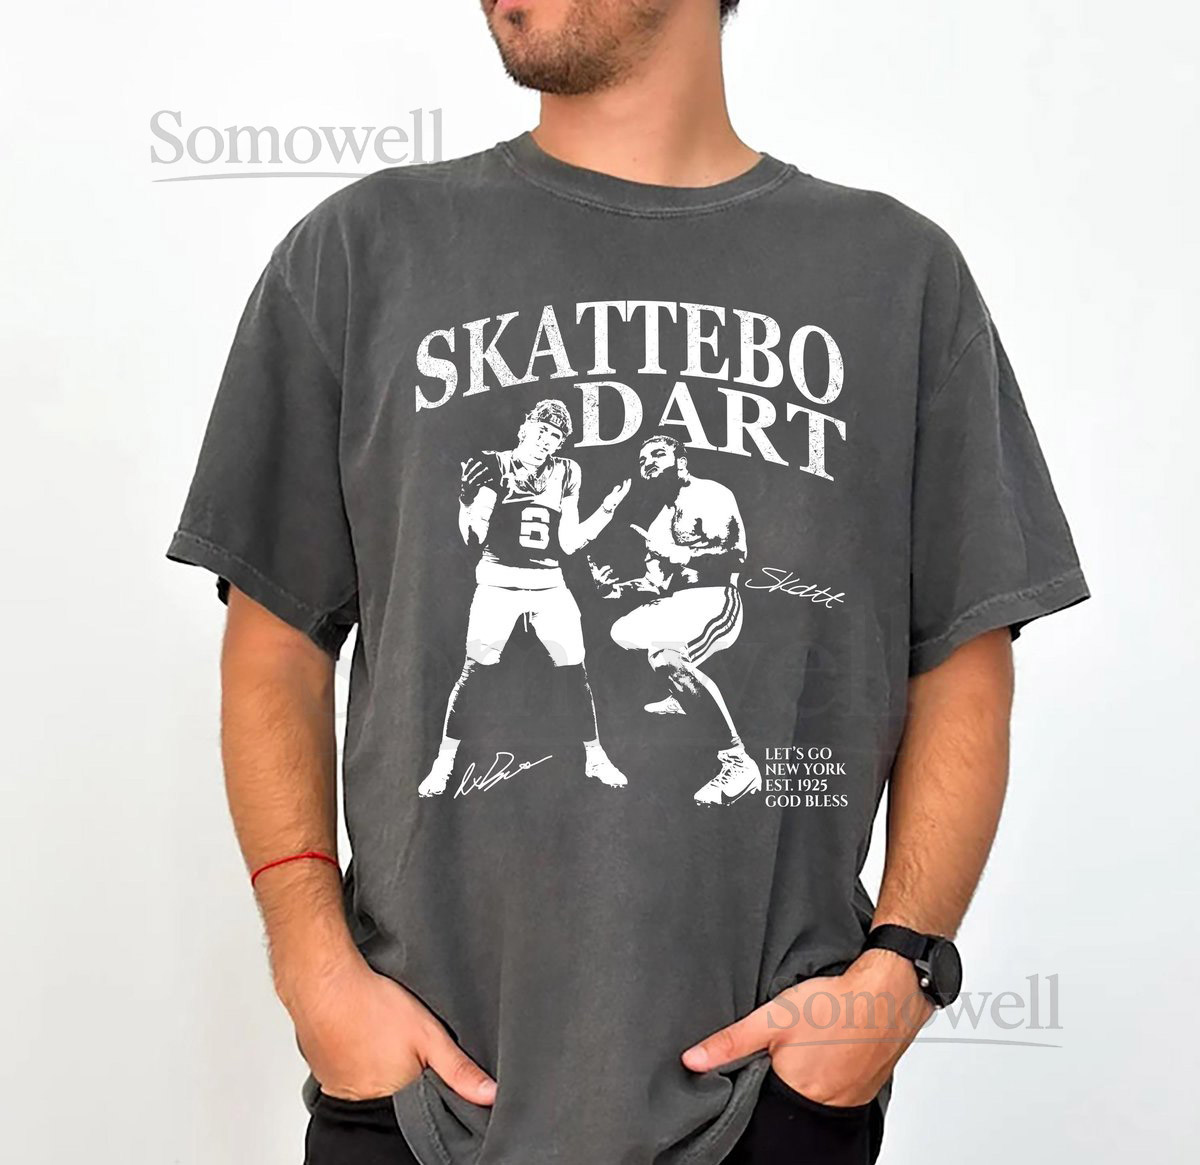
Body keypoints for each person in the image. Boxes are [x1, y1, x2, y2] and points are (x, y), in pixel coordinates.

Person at [164, 1, 1091, 1163]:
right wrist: (315, 973)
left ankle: (633, 742)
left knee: (600, 663)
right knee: (538, 666)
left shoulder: (897, 277)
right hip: (421, 1105)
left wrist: (898, 972)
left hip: (769, 1108)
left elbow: (962, 655)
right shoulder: (359, 253)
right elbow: (274, 647)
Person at [418, 396, 629, 796]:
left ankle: (595, 757)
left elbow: (569, 543)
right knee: (475, 672)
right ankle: (443, 763)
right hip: (498, 584)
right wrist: (466, 502)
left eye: (555, 436)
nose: (547, 440)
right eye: (542, 430)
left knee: (575, 672)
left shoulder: (567, 471)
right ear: (524, 429)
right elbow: (473, 538)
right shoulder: (494, 465)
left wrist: (606, 511)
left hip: (549, 586)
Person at [591, 433, 759, 805]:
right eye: (642, 459)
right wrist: (612, 589)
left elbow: (734, 556)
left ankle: (738, 762)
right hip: (678, 602)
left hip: (716, 599)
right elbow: (653, 585)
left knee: (665, 657)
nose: (648, 462)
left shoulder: (709, 493)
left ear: (681, 461)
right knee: (621, 631)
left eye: (658, 454)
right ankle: (683, 689)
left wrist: (678, 554)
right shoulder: (658, 523)